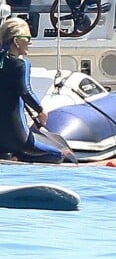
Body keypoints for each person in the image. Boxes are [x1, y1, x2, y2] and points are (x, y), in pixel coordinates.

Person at [0, 17, 69, 162]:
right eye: (28, 38)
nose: (30, 42)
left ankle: (12, 156)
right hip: (18, 138)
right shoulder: (20, 64)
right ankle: (18, 155)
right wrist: (40, 110)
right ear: (16, 41)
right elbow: (25, 92)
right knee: (59, 155)